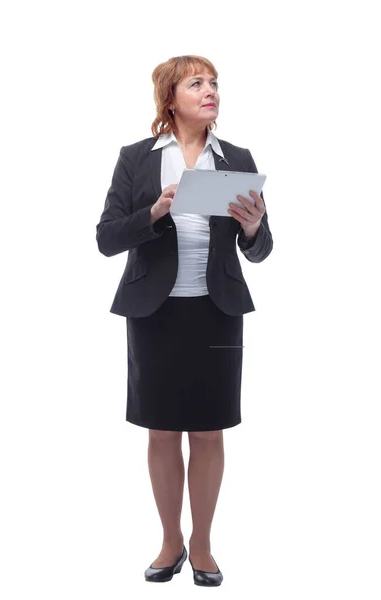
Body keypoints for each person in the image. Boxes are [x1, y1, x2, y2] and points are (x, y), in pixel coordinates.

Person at [96, 55, 273, 586]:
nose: (210, 90)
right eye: (197, 83)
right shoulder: (137, 159)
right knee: (161, 430)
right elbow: (106, 238)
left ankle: (202, 544)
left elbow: (262, 250)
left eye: (214, 82)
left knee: (210, 431)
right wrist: (152, 214)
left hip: (217, 312)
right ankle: (170, 541)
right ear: (170, 99)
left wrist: (253, 227)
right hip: (155, 312)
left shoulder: (235, 157)